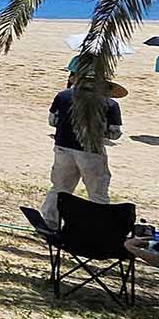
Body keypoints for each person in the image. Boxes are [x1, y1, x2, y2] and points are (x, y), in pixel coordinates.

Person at [41, 79, 123, 227]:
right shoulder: (110, 104)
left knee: (60, 187)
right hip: (91, 152)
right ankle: (98, 227)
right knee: (97, 193)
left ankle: (49, 222)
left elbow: (52, 121)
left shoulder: (63, 96)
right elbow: (114, 133)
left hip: (63, 146)